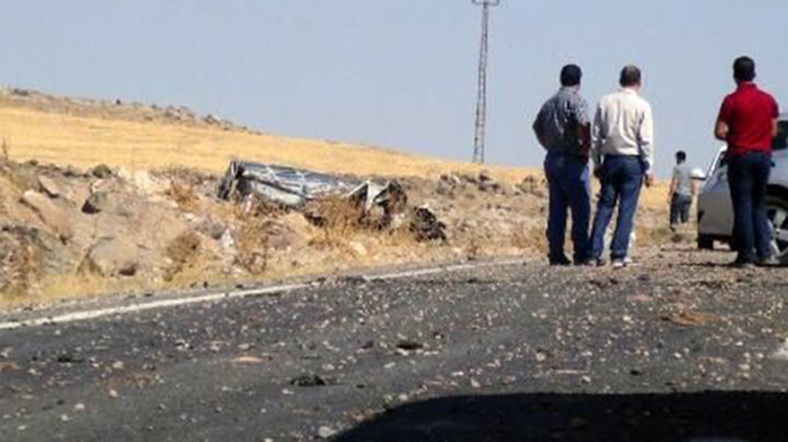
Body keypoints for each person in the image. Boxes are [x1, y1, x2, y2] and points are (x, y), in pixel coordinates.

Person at [714, 56, 780, 267]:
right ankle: (765, 252)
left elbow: (719, 131)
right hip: (763, 155)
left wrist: (734, 137)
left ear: (735, 75)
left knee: (742, 204)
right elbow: (773, 130)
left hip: (740, 155)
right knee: (759, 204)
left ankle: (746, 254)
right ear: (754, 74)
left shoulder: (731, 101)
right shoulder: (768, 100)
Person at [589, 65, 654, 268]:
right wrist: (648, 168)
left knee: (605, 206)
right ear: (639, 82)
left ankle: (593, 253)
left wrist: (596, 162)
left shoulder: (605, 102)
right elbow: (646, 140)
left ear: (620, 80)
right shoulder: (642, 105)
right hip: (632, 160)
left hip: (610, 159)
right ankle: (618, 253)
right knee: (627, 208)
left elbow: (595, 136)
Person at [532, 64, 592, 266]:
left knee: (557, 209)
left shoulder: (549, 103)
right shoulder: (576, 100)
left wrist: (548, 145)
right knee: (580, 208)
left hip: (552, 159)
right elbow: (584, 123)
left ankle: (555, 252)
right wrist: (585, 148)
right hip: (572, 160)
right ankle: (581, 252)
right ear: (579, 81)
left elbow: (537, 127)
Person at [668, 150, 697, 231]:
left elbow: (674, 182)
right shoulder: (691, 169)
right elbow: (694, 183)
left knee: (674, 217)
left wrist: (670, 195)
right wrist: (693, 195)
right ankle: (684, 234)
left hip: (679, 195)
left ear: (678, 158)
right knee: (685, 218)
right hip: (688, 196)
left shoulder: (677, 168)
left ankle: (674, 234)